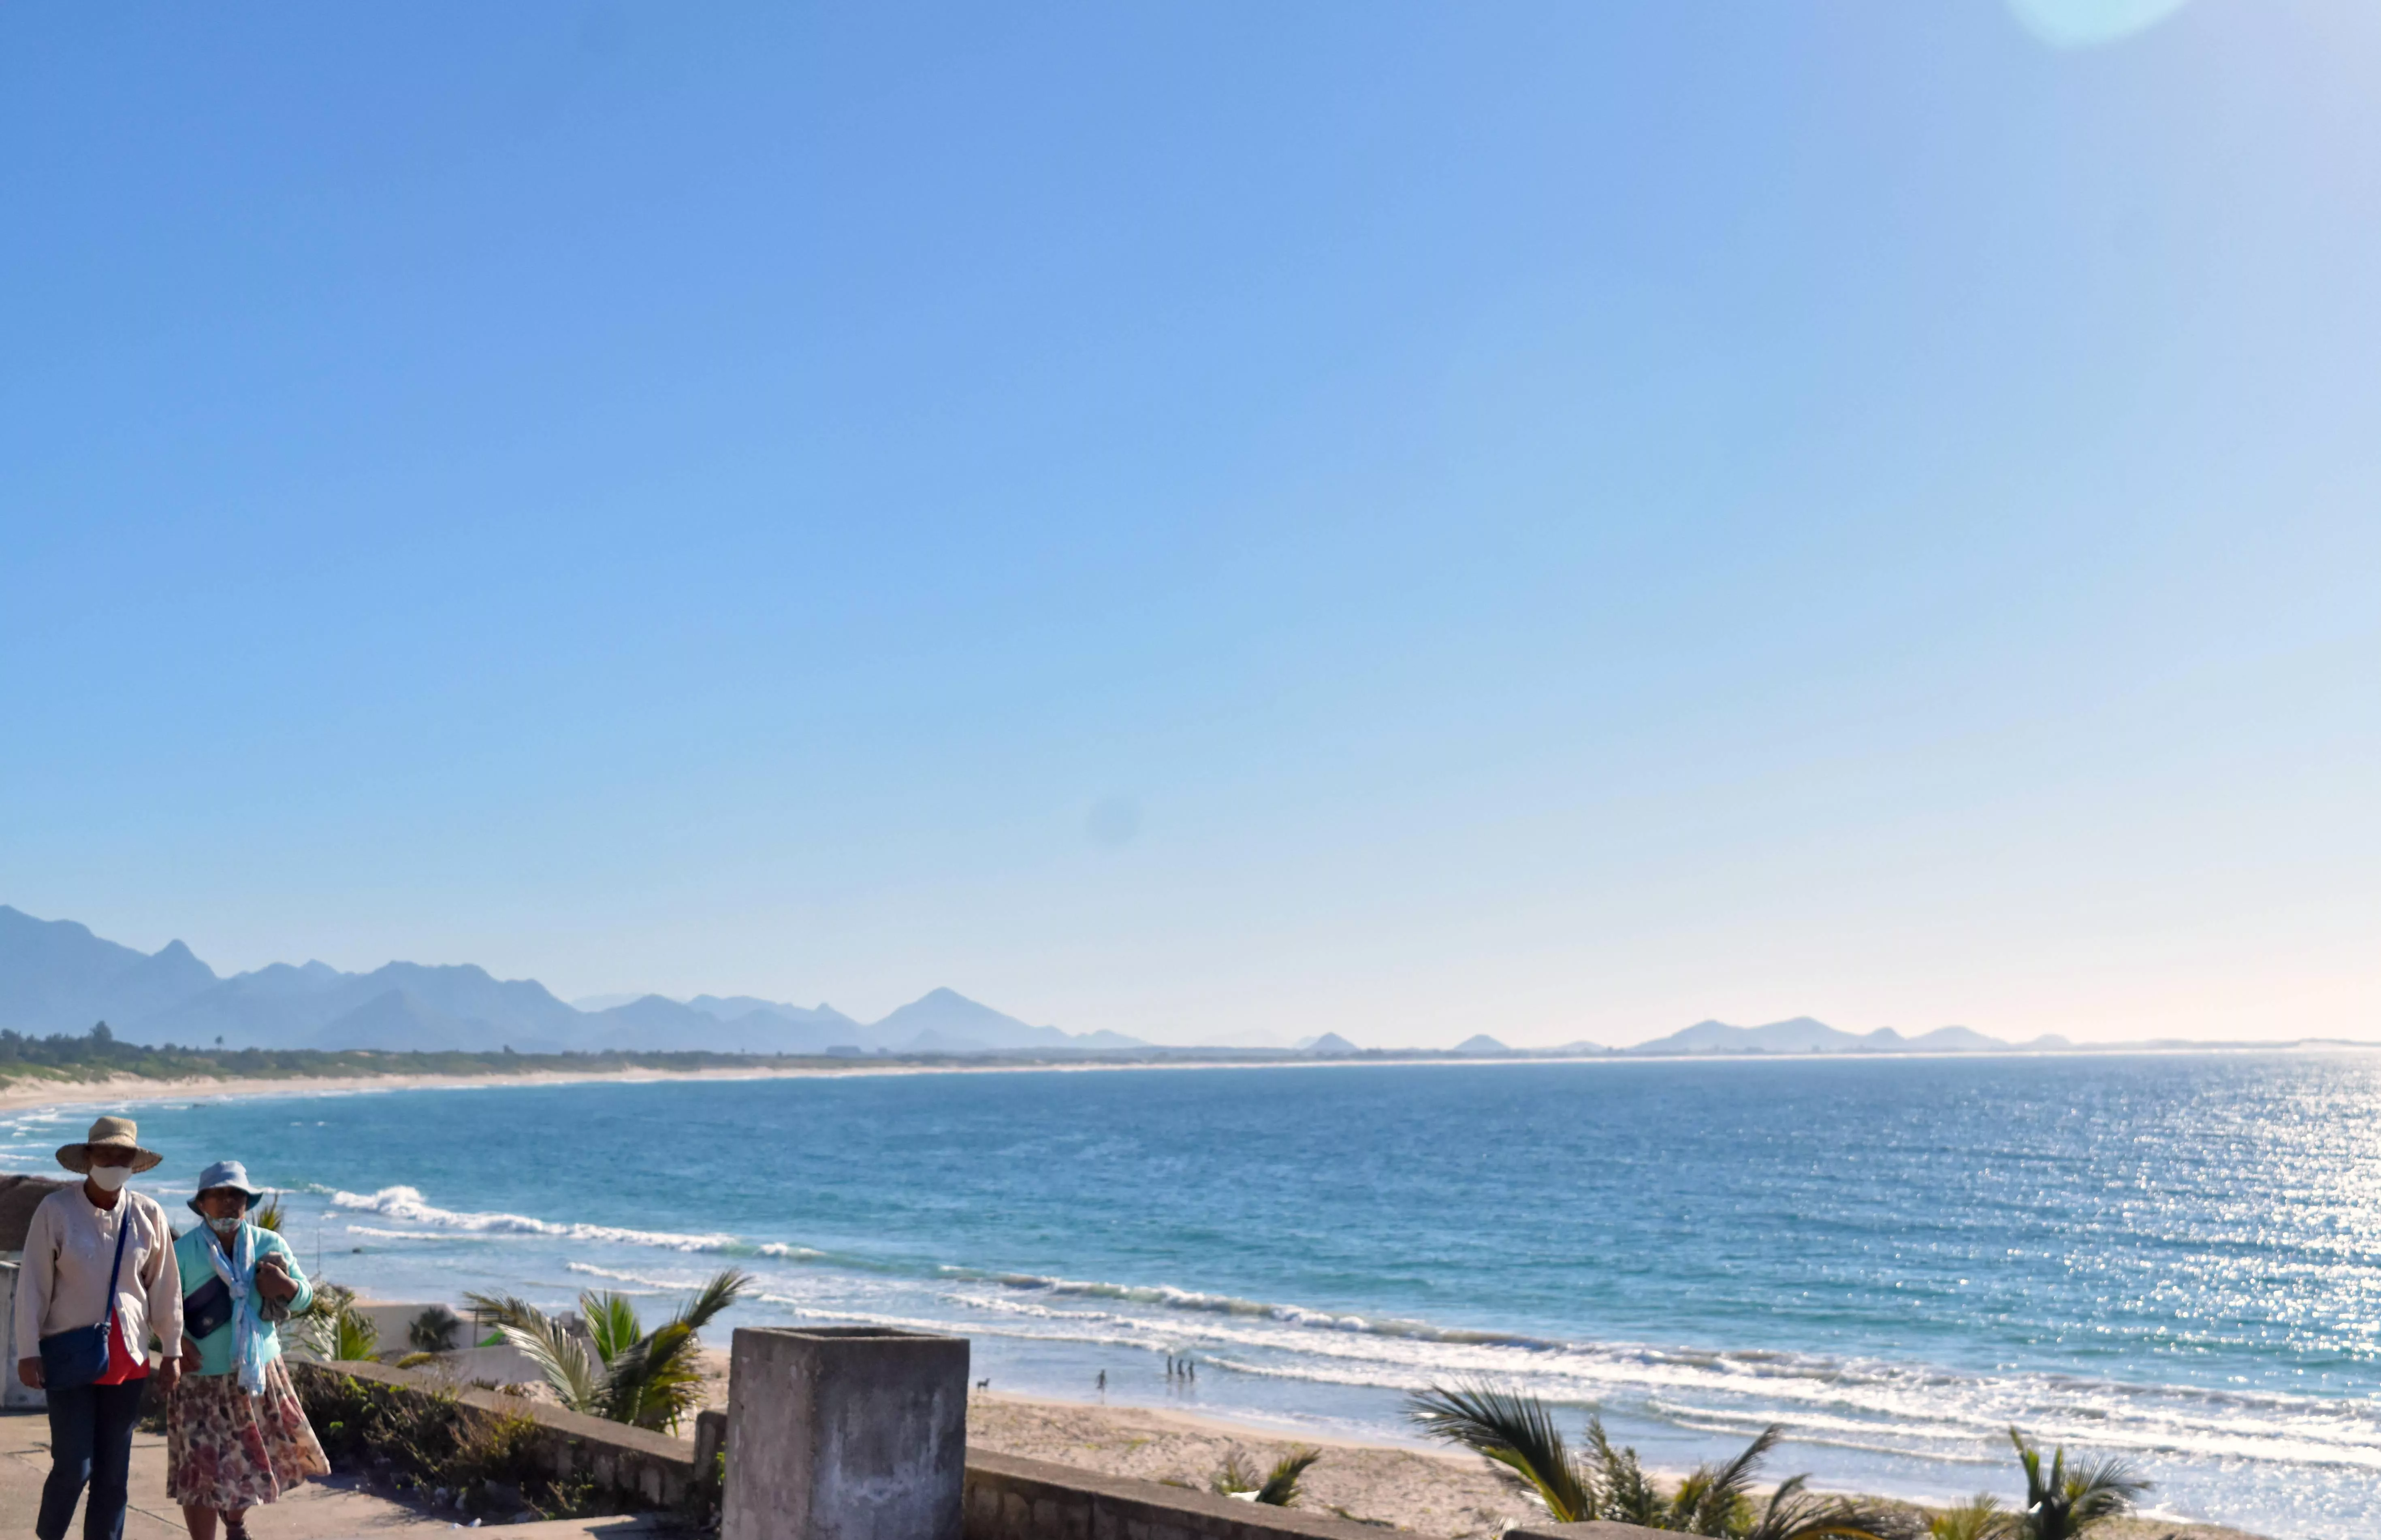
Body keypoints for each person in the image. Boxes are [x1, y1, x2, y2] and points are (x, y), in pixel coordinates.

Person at [13, 1115, 186, 1540]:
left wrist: (174, 1349)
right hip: (69, 1355)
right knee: (74, 1465)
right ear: (87, 1157)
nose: (113, 1160)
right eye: (105, 1152)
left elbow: (165, 1287)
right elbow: (33, 1284)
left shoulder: (148, 1214)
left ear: (134, 1162)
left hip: (128, 1359)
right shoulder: (56, 1210)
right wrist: (27, 1350)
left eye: (122, 1154)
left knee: (113, 1477)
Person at [168, 1160, 329, 1540]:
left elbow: (305, 1297)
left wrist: (285, 1285)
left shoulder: (270, 1245)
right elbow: (157, 1308)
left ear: (247, 1202)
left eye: (236, 1195)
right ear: (202, 1203)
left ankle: (236, 1523)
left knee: (252, 1464)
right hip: (200, 1379)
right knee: (200, 1473)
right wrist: (177, 1343)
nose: (228, 1202)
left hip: (256, 1375)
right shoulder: (183, 1251)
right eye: (219, 1195)